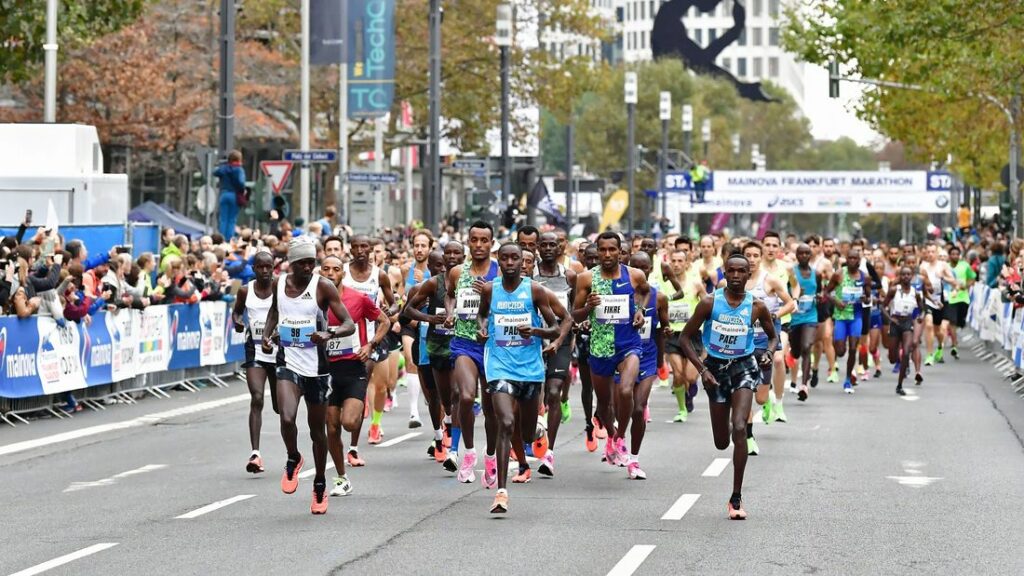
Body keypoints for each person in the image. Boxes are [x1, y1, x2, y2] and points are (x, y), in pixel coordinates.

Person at [260, 236, 356, 515]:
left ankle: (320, 482)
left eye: (311, 262)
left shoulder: (323, 286)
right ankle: (293, 458)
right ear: (291, 263)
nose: (308, 267)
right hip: (287, 361)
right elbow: (274, 313)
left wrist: (329, 332)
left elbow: (348, 323)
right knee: (286, 416)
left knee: (317, 431)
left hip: (317, 368)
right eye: (302, 263)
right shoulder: (279, 284)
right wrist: (267, 336)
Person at [680, 253, 777, 520]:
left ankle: (736, 497)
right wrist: (702, 370)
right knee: (722, 442)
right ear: (724, 273)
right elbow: (685, 338)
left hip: (744, 367)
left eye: (741, 272)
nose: (735, 276)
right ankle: (730, 448)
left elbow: (772, 336)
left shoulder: (756, 306)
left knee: (739, 427)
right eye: (731, 271)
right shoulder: (710, 303)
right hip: (715, 370)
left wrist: (768, 352)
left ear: (748, 275)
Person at [476, 243, 570, 512]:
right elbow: (482, 316)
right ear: (499, 261)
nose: (509, 263)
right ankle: (502, 492)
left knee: (526, 433)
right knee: (505, 422)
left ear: (523, 262)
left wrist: (537, 332)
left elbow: (557, 326)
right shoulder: (489, 289)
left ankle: (538, 429)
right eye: (504, 258)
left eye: (514, 258)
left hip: (530, 370)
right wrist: (482, 328)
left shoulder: (535, 290)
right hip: (499, 365)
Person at [571, 231, 650, 468]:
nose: (607, 254)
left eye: (612, 249)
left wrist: (640, 310)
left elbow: (645, 292)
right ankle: (613, 434)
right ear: (597, 251)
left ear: (620, 251)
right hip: (600, 345)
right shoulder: (586, 278)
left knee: (626, 390)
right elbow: (574, 314)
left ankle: (620, 438)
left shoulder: (634, 275)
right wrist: (588, 307)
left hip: (629, 344)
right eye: (602, 250)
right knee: (604, 405)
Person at [318, 255, 389, 497]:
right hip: (326, 371)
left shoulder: (358, 298)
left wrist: (371, 345)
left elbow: (384, 321)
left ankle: (359, 410)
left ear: (342, 274)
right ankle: (341, 477)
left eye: (335, 269)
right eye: (325, 269)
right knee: (332, 426)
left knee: (348, 422)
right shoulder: (314, 301)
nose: (330, 273)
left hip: (353, 368)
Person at [443, 221, 500, 482]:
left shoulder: (501, 272)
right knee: (465, 397)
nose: (479, 245)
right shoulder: (457, 271)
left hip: (493, 346)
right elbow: (450, 295)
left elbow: (514, 304)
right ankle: (468, 451)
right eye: (474, 240)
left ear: (491, 242)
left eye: (484, 240)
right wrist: (450, 312)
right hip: (463, 343)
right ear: (468, 242)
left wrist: (489, 297)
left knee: (491, 408)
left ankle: (490, 456)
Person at [404, 242, 465, 469]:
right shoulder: (432, 284)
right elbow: (406, 311)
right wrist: (431, 319)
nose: (448, 260)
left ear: (463, 257)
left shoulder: (471, 283)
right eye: (445, 255)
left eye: (455, 253)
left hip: (463, 346)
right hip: (436, 346)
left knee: (460, 394)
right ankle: (443, 427)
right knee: (440, 398)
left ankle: (455, 450)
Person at [343, 235, 398, 461]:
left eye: (364, 246)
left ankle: (355, 445)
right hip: (344, 338)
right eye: (355, 247)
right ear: (350, 250)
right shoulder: (342, 272)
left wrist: (388, 308)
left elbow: (394, 302)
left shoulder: (379, 275)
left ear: (371, 250)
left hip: (371, 336)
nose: (360, 251)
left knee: (366, 384)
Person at [532, 232, 577, 476]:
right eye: (544, 244)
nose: (548, 248)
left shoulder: (569, 276)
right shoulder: (529, 275)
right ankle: (534, 434)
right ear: (538, 247)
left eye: (553, 244)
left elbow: (572, 313)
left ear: (560, 247)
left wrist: (563, 340)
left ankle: (549, 452)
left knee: (553, 391)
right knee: (534, 395)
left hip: (560, 340)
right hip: (533, 340)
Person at [232, 250, 279, 474]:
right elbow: (236, 314)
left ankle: (292, 452)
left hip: (280, 351)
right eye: (260, 267)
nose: (265, 271)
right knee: (257, 397)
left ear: (274, 267)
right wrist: (239, 323)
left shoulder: (281, 288)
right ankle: (255, 453)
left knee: (280, 407)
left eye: (268, 267)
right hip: (255, 349)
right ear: (254, 269)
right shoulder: (245, 291)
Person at [623, 251, 670, 479]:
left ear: (651, 269)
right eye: (636, 267)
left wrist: (661, 362)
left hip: (647, 356)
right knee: (619, 406)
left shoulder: (659, 298)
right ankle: (617, 440)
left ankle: (634, 459)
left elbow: (662, 331)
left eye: (646, 267)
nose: (642, 271)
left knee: (639, 408)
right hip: (622, 355)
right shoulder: (620, 294)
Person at [824, 247, 872, 393]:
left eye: (855, 258)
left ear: (859, 260)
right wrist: (836, 302)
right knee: (840, 351)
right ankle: (840, 359)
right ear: (846, 259)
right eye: (850, 258)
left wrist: (865, 298)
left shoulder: (865, 277)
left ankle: (847, 380)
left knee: (852, 348)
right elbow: (826, 292)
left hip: (856, 317)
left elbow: (868, 297)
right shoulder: (839, 274)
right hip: (841, 316)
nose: (852, 261)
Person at [400, 230, 433, 429]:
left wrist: (423, 282)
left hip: (429, 323)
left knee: (425, 368)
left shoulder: (436, 270)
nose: (419, 249)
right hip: (410, 323)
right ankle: (413, 412)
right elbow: (402, 296)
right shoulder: (406, 269)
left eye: (423, 245)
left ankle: (430, 394)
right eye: (416, 245)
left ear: (430, 248)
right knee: (410, 361)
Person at [881, 266, 925, 396]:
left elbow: (922, 309)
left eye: (908, 274)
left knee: (906, 352)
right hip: (895, 322)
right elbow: (883, 306)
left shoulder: (915, 293)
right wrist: (890, 319)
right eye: (903, 274)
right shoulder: (894, 290)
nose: (906, 277)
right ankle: (895, 356)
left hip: (907, 322)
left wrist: (920, 317)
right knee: (893, 358)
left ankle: (899, 385)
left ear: (912, 276)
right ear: (900, 276)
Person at [788, 243, 821, 401]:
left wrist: (820, 297)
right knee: (796, 352)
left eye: (807, 253)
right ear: (796, 255)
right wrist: (794, 294)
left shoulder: (816, 274)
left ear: (811, 255)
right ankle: (792, 353)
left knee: (807, 347)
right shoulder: (791, 273)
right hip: (794, 317)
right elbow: (783, 291)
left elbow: (820, 291)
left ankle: (804, 386)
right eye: (800, 253)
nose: (803, 256)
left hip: (810, 316)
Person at [941, 245, 976, 359]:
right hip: (950, 298)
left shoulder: (965, 266)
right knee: (952, 321)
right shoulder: (945, 267)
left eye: (957, 254)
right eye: (953, 254)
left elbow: (972, 278)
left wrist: (966, 285)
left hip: (963, 298)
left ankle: (956, 334)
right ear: (949, 255)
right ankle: (954, 344)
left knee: (960, 321)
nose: (955, 256)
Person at [215, 150, 246, 240]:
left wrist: (225, 164)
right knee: (231, 219)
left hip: (224, 194)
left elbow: (215, 172)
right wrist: (242, 189)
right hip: (234, 195)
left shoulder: (224, 168)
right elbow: (241, 182)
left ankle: (221, 238)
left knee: (223, 219)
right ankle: (228, 239)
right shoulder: (239, 170)